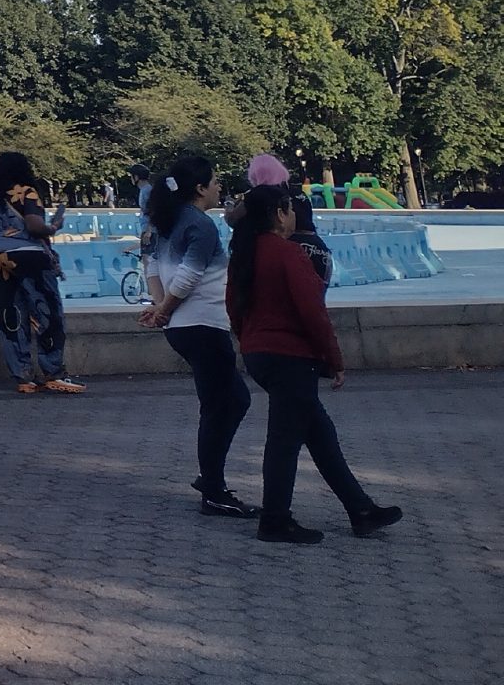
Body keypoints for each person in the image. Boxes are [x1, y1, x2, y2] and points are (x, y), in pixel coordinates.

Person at [227, 181, 403, 544]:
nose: (293, 216)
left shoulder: (244, 253)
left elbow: (233, 306)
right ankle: (275, 519)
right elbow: (313, 313)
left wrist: (249, 341)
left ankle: (361, 509)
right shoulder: (288, 253)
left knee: (320, 434)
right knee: (284, 441)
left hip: (260, 353)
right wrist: (334, 359)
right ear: (279, 214)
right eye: (289, 209)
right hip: (290, 357)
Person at [138, 153, 256, 516]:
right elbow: (189, 276)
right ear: (201, 188)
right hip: (203, 326)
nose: (220, 187)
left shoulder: (165, 221)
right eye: (216, 181)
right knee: (230, 402)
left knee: (221, 402)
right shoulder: (201, 225)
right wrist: (165, 310)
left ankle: (211, 483)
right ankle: (213, 486)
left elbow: (152, 266)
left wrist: (161, 309)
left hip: (183, 328)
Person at [0, 151, 83, 393]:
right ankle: (54, 372)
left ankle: (23, 376)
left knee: (11, 314)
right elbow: (35, 226)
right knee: (47, 311)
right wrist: (54, 227)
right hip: (29, 255)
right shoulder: (27, 190)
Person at [240, 154, 334, 284]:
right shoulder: (299, 193)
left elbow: (237, 220)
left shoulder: (262, 199)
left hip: (289, 251)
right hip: (319, 250)